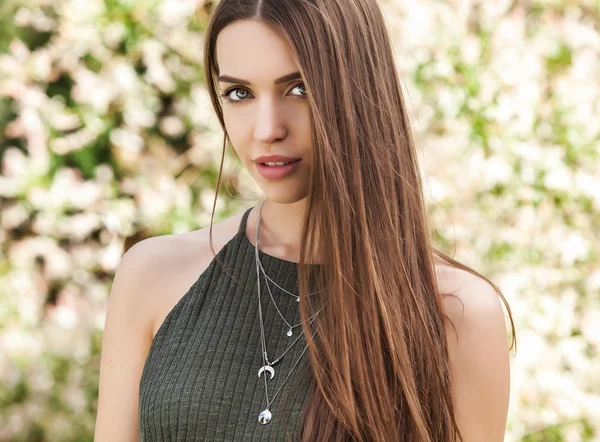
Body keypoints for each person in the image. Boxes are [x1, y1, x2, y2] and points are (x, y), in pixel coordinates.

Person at [94, 0, 516, 441]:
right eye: (240, 93)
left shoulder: (457, 313)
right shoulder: (152, 275)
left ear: (361, 90)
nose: (266, 129)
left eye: (299, 89)